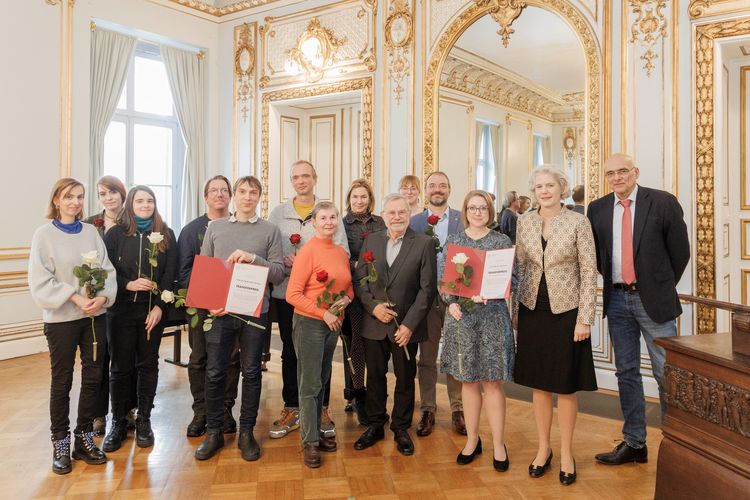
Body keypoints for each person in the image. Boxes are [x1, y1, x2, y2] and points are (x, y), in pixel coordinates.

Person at [587, 153, 690, 466]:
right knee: (626, 372)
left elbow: (680, 252)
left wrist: (658, 284)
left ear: (635, 172)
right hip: (617, 301)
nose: (617, 178)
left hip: (653, 301)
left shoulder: (661, 202)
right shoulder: (598, 208)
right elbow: (597, 253)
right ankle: (634, 443)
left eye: (623, 171)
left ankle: (679, 445)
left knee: (665, 373)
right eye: (611, 174)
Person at [513, 165, 598, 486]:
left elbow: (589, 272)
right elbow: (518, 266)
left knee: (564, 385)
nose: (544, 191)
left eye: (550, 185)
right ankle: (543, 448)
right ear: (533, 192)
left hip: (567, 312)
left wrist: (585, 318)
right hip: (533, 310)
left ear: (562, 188)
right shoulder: (524, 222)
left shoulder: (579, 221)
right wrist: (514, 311)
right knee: (539, 384)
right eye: (538, 187)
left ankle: (566, 452)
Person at [29, 178, 117, 474]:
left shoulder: (92, 232)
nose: (75, 202)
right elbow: (41, 281)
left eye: (79, 197)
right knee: (62, 381)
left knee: (94, 377)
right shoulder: (43, 235)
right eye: (69, 196)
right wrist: (76, 298)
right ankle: (60, 442)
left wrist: (103, 297)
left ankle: (83, 437)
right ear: (56, 200)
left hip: (94, 317)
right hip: (62, 321)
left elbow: (106, 270)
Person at [194, 175, 285, 461]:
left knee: (252, 372)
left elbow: (279, 272)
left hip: (256, 312)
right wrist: (211, 304)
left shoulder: (270, 231)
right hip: (221, 314)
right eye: (242, 192)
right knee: (215, 371)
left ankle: (246, 432)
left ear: (259, 196)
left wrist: (252, 258)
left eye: (253, 192)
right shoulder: (216, 228)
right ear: (234, 195)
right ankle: (214, 432)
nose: (247, 197)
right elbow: (206, 271)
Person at [267, 160, 350, 440]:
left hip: (325, 300)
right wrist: (289, 260)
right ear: (291, 181)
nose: (300, 181)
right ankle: (293, 408)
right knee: (291, 354)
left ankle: (321, 409)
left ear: (314, 178)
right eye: (295, 177)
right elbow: (270, 251)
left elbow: (343, 253)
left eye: (305, 176)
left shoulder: (328, 212)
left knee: (321, 361)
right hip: (288, 294)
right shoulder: (278, 213)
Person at [353, 194, 437, 456]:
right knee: (375, 376)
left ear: (409, 213)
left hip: (405, 328)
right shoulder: (372, 240)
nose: (397, 217)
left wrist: (410, 325)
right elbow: (360, 282)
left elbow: (427, 290)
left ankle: (401, 427)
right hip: (375, 323)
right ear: (384, 215)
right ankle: (376, 424)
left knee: (404, 378)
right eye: (392, 212)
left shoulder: (423, 244)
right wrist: (373, 307)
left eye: (402, 212)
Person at [439, 190, 515, 471]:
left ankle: (498, 444)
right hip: (464, 321)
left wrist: (494, 291)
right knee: (469, 382)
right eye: (472, 207)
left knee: (492, 383)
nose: (478, 212)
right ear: (465, 211)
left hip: (493, 318)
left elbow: (514, 280)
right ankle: (472, 439)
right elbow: (444, 284)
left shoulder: (501, 241)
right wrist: (451, 304)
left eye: (483, 207)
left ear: (490, 211)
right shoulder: (454, 241)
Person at [102, 185, 177, 452]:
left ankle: (144, 419)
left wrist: (160, 308)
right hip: (120, 311)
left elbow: (170, 275)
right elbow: (106, 272)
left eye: (150, 200)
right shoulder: (115, 235)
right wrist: (128, 285)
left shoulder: (166, 235)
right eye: (140, 200)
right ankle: (119, 422)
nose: (145, 205)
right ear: (130, 204)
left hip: (151, 314)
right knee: (120, 367)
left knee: (147, 364)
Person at [286, 201, 354, 468]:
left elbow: (348, 288)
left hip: (332, 324)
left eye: (333, 217)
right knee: (309, 383)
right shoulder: (307, 252)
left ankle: (314, 431)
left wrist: (345, 303)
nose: (328, 222)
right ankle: (310, 442)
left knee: (322, 381)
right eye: (323, 218)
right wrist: (323, 313)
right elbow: (293, 294)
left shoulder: (339, 252)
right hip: (310, 324)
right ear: (313, 223)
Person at [177, 175, 241, 438]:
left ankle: (225, 409)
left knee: (232, 359)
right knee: (199, 358)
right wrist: (209, 296)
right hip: (203, 308)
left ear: (230, 195)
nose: (219, 194)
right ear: (205, 197)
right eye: (213, 190)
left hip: (233, 306)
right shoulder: (191, 230)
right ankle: (201, 411)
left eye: (224, 190)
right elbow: (184, 272)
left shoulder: (239, 226)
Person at [409, 171, 466, 436]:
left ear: (449, 189)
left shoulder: (462, 220)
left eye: (442, 185)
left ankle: (458, 409)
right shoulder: (415, 222)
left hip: (457, 300)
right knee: (428, 356)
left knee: (456, 355)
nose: (437, 189)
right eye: (432, 185)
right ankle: (428, 409)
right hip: (427, 298)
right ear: (426, 190)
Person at [82, 175, 134, 436]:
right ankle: (98, 415)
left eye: (113, 192)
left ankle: (126, 411)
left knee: (125, 359)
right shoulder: (90, 224)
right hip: (99, 301)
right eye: (103, 193)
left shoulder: (133, 220)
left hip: (126, 300)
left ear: (122, 194)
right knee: (99, 359)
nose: (108, 198)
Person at [341, 179, 386, 423]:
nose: (360, 201)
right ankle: (356, 394)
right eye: (355, 197)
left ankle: (374, 395)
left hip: (376, 290)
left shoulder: (380, 222)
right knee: (355, 343)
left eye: (364, 197)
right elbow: (338, 254)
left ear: (370, 200)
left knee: (375, 346)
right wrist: (355, 265)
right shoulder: (340, 224)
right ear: (349, 199)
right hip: (353, 291)